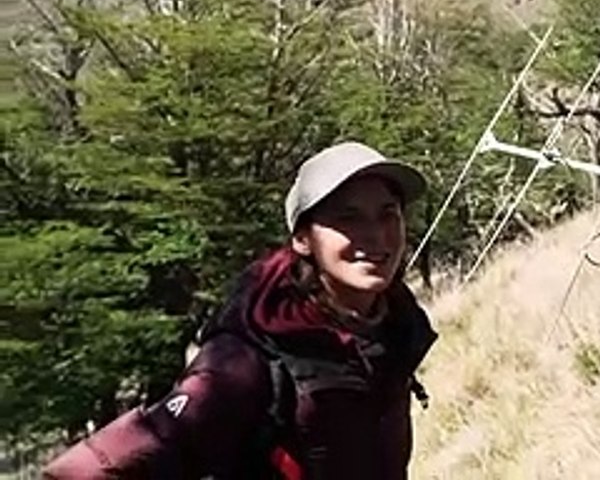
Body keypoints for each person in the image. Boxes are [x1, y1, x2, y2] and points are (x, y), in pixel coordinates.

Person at [43, 141, 438, 480]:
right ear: (303, 238)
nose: (374, 235)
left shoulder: (391, 329)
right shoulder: (251, 356)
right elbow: (101, 465)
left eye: (388, 214)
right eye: (347, 219)